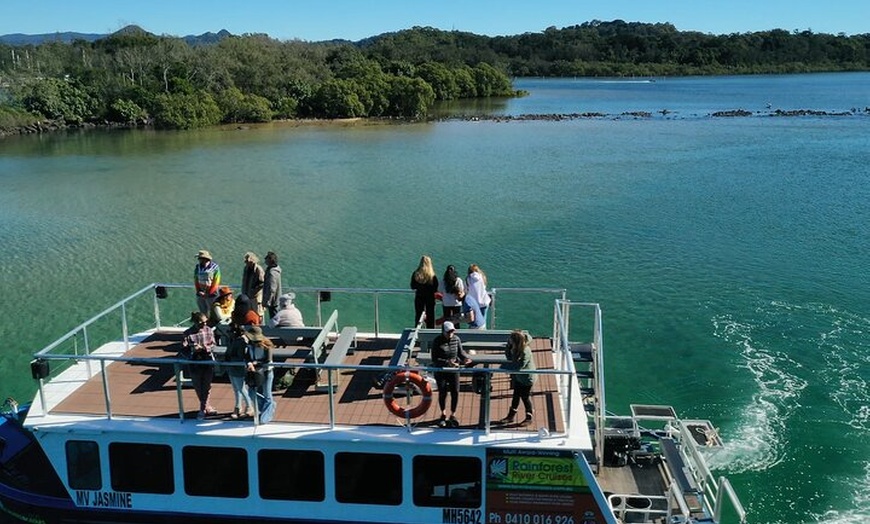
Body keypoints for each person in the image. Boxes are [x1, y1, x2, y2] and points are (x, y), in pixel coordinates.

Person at [431, 321, 471, 428]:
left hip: (454, 370)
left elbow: (460, 353)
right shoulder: (437, 341)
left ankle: (453, 414)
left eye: (452, 331)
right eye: (448, 332)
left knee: (455, 392)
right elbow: (434, 358)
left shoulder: (456, 339)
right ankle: (443, 413)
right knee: (442, 392)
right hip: (441, 371)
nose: (450, 334)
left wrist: (465, 359)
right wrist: (446, 362)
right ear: (443, 331)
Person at [181, 311, 218, 420]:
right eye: (202, 323)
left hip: (207, 361)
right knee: (198, 387)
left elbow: (214, 345)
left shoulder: (209, 330)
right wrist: (192, 350)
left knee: (207, 386)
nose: (204, 325)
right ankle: (207, 407)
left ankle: (202, 409)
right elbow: (183, 350)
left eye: (206, 322)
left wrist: (204, 348)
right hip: (194, 363)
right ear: (196, 322)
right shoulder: (187, 333)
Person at [499, 330, 536, 426]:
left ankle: (529, 417)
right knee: (515, 396)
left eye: (511, 340)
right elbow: (509, 358)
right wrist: (508, 348)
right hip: (519, 376)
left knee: (525, 397)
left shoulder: (525, 351)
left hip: (527, 378)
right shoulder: (515, 348)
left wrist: (505, 368)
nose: (509, 341)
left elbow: (519, 366)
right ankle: (510, 416)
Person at [244, 325, 276, 423]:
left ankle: (266, 416)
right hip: (255, 372)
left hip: (267, 372)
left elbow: (268, 360)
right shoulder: (249, 345)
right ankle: (270, 406)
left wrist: (256, 363)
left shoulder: (267, 346)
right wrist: (249, 363)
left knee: (267, 394)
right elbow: (247, 357)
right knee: (251, 393)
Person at [223, 329, 254, 419]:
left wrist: (230, 359)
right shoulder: (231, 340)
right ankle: (238, 407)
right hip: (230, 367)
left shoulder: (241, 341)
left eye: (230, 330)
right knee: (236, 389)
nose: (228, 332)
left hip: (238, 367)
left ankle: (250, 407)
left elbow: (240, 356)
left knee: (241, 388)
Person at [410, 255, 439, 329]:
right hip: (430, 298)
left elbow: (413, 286)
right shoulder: (432, 276)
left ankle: (417, 331)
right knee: (431, 316)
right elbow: (436, 288)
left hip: (419, 297)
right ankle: (430, 332)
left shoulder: (416, 274)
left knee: (418, 316)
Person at [194, 250, 221, 315]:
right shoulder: (198, 267)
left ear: (205, 259)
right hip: (200, 294)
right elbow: (196, 279)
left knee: (213, 312)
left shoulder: (215, 268)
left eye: (199, 258)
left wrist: (208, 294)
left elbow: (216, 282)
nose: (198, 260)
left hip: (212, 295)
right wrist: (198, 291)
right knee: (203, 313)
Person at [241, 252, 265, 318]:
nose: (246, 263)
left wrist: (254, 291)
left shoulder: (258, 269)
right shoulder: (246, 268)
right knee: (249, 314)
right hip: (247, 295)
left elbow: (262, 282)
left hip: (256, 297)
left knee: (258, 314)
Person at [262, 251, 282, 320]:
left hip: (273, 302)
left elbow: (272, 288)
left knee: (274, 319)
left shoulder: (272, 273)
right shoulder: (276, 270)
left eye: (266, 258)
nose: (265, 260)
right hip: (276, 300)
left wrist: (267, 301)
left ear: (270, 260)